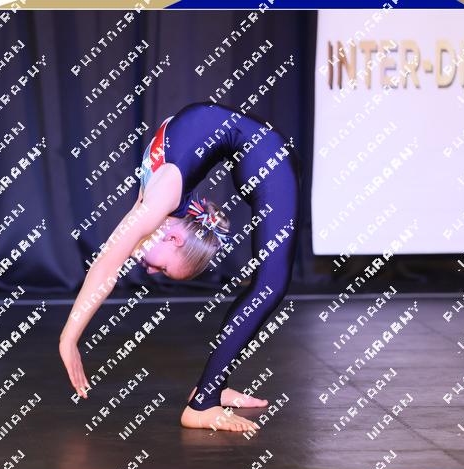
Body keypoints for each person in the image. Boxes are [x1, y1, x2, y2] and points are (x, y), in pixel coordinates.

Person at [59, 101, 300, 432]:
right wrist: (71, 336)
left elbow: (106, 266)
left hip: (266, 150)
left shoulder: (159, 200)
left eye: (162, 270)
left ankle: (205, 399)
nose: (150, 271)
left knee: (270, 285)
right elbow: (110, 261)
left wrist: (69, 338)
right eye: (161, 270)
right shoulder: (153, 199)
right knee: (269, 285)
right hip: (260, 147)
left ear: (174, 239)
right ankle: (208, 394)